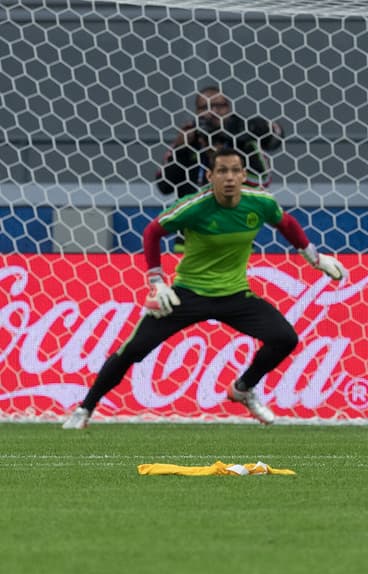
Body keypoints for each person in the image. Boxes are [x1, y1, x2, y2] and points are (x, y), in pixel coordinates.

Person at [64, 147, 345, 429]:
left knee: (285, 338)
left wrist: (314, 258)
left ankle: (243, 389)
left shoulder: (260, 203)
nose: (230, 178)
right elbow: (152, 232)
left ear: (244, 174)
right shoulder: (194, 206)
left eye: (235, 170)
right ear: (210, 176)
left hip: (235, 295)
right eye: (222, 171)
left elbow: (286, 224)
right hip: (188, 294)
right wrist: (157, 282)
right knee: (132, 351)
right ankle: (84, 410)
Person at [156, 85, 285, 198]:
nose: (213, 112)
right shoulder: (189, 138)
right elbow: (164, 187)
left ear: (228, 108)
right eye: (205, 107)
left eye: (219, 106)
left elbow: (263, 180)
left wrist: (226, 159)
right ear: (197, 111)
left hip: (235, 215)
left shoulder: (243, 137)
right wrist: (181, 150)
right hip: (195, 217)